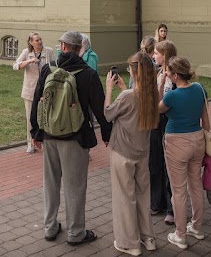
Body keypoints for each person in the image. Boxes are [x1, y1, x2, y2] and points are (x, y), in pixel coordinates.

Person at [30, 31, 111, 246]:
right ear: (79, 48)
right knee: (75, 186)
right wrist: (106, 133)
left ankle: (50, 227)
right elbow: (100, 108)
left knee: (51, 183)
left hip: (49, 136)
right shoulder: (88, 74)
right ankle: (76, 233)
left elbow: (38, 100)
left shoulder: (48, 68)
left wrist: (35, 132)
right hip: (76, 137)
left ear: (64, 47)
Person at [104, 51, 158, 256]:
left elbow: (108, 114)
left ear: (134, 72)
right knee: (143, 196)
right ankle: (148, 238)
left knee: (124, 198)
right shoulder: (152, 95)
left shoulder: (128, 96)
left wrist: (109, 89)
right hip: (142, 153)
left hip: (123, 153)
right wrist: (122, 88)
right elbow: (135, 107)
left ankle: (129, 243)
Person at [159, 55, 211, 250]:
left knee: (178, 190)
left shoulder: (172, 95)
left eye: (169, 73)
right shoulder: (199, 89)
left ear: (174, 75)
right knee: (195, 184)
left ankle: (180, 235)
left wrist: (161, 83)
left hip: (176, 142)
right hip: (197, 139)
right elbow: (205, 120)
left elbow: (157, 110)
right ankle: (196, 227)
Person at [13, 32, 55, 152]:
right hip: (30, 91)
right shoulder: (26, 52)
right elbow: (15, 66)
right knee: (31, 118)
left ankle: (46, 141)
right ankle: (30, 143)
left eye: (40, 39)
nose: (40, 42)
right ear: (31, 42)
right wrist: (29, 62)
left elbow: (54, 67)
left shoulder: (49, 51)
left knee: (47, 116)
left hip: (45, 89)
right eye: (36, 40)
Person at [150, 40, 177, 223]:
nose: (154, 56)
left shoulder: (174, 75)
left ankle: (172, 208)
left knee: (169, 167)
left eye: (157, 53)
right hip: (156, 122)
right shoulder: (159, 73)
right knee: (155, 163)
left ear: (165, 55)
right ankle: (156, 201)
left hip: (169, 123)